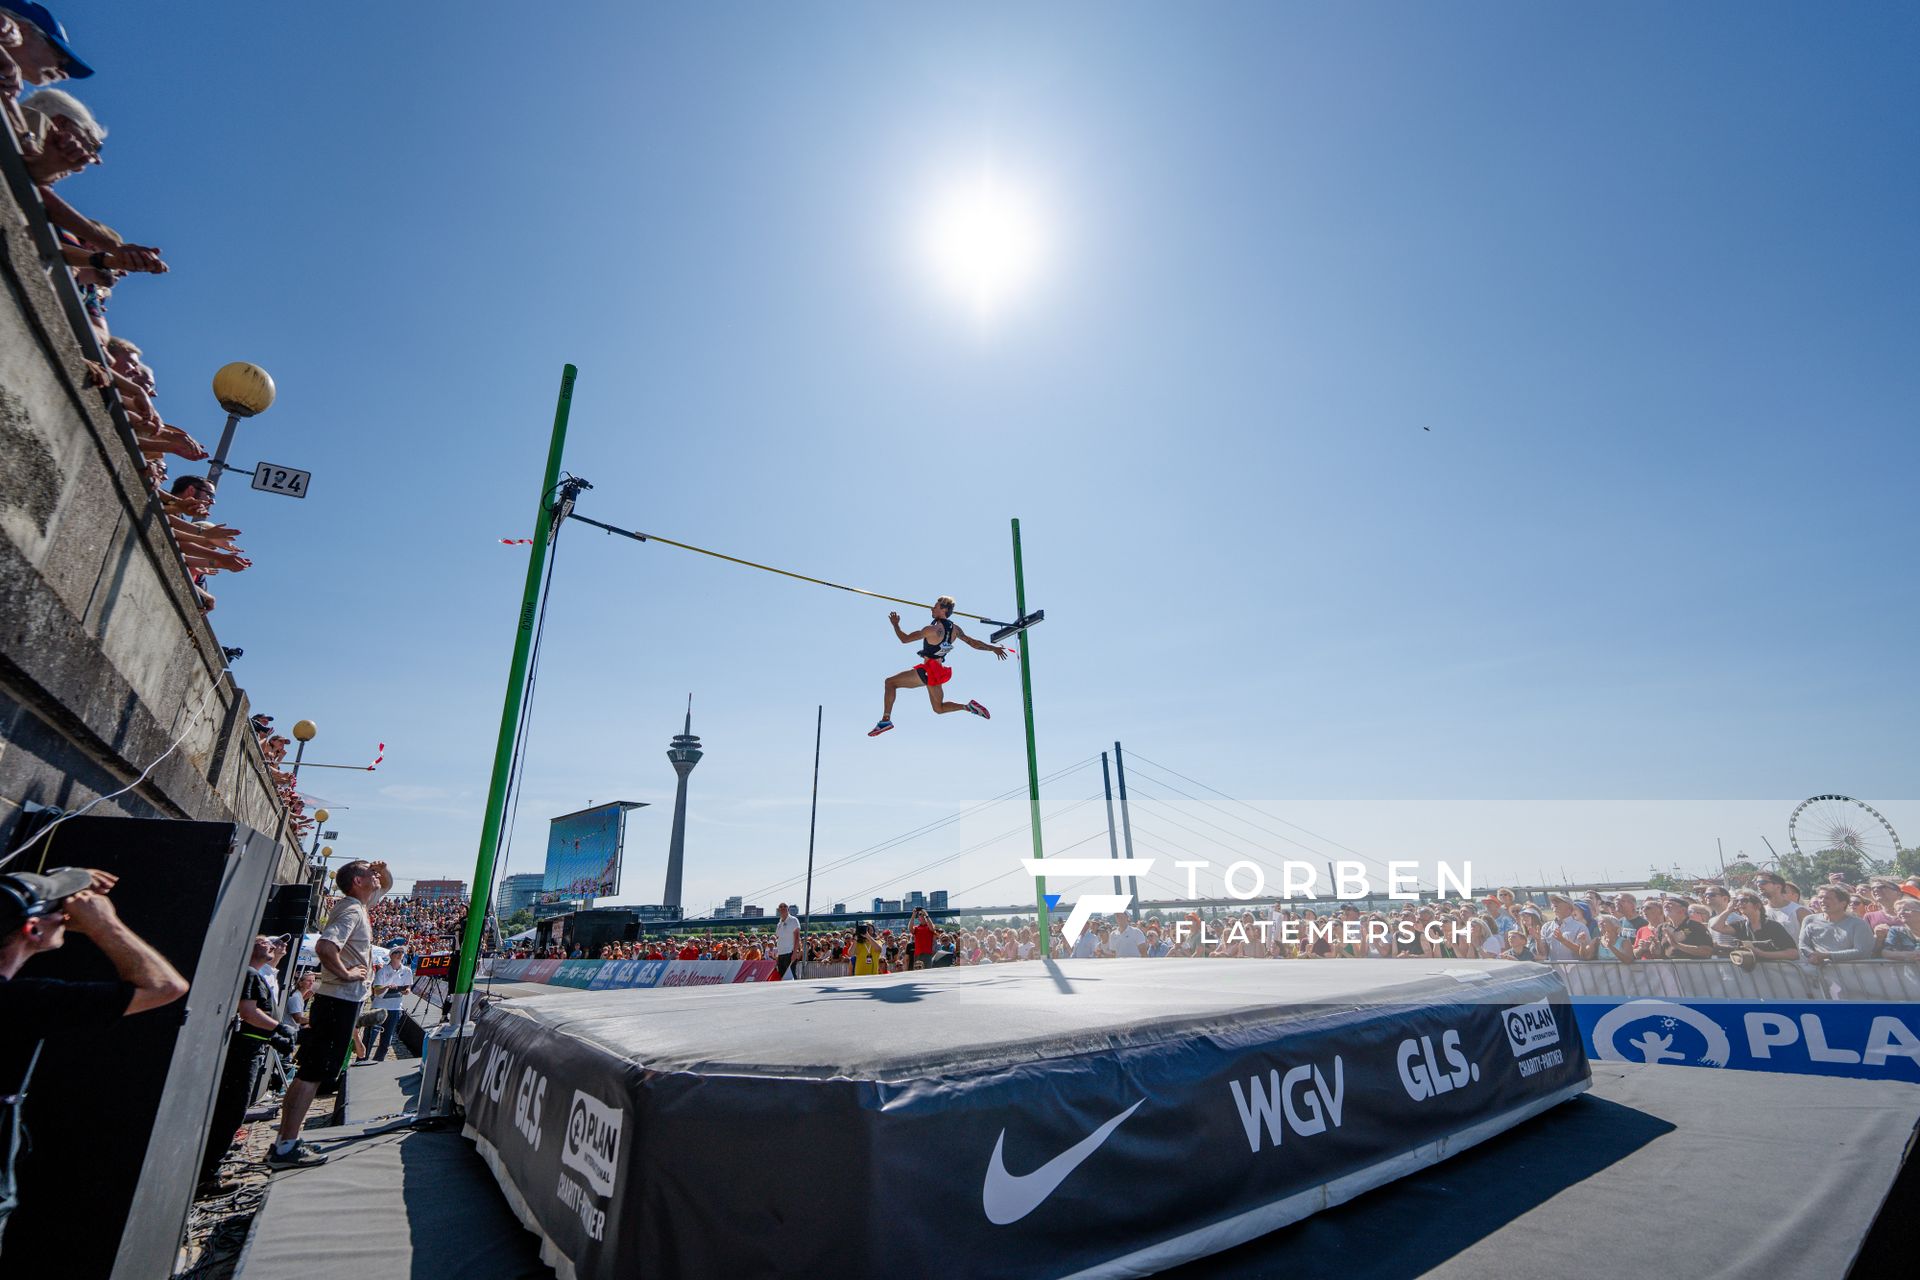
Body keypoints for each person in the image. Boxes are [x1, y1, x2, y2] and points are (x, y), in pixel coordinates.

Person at [0, 866, 186, 1246]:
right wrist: (104, 926)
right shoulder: (25, 1001)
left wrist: (70, 878)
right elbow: (165, 986)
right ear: (32, 929)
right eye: (55, 908)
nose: (64, 912)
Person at [268, 860, 390, 1169]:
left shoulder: (359, 904)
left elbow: (385, 885)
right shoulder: (350, 910)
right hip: (338, 1000)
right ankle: (286, 1146)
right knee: (312, 1073)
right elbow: (325, 946)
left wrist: (382, 869)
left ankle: (287, 1142)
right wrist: (347, 973)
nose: (375, 876)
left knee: (313, 1071)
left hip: (340, 1002)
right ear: (357, 881)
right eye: (369, 872)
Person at [198, 937, 293, 1195]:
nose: (270, 946)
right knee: (231, 1110)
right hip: (243, 1053)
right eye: (264, 942)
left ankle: (210, 1167)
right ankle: (207, 1175)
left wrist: (274, 1035)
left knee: (233, 1110)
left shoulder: (257, 973)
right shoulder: (250, 973)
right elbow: (249, 1013)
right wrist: (279, 1028)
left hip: (252, 1048)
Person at [868, 597, 1007, 736]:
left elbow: (904, 639)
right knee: (939, 708)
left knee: (890, 683)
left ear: (944, 610)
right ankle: (968, 707)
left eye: (935, 606)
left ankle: (886, 720)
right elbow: (973, 643)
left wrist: (895, 624)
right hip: (938, 672)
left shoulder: (932, 630)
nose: (932, 609)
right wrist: (993, 649)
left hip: (928, 670)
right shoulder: (955, 630)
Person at [1710, 891, 1798, 963]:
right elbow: (1716, 927)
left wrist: (1761, 954)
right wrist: (1728, 910)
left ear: (1757, 905)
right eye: (1737, 901)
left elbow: (1793, 954)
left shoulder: (1773, 926)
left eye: (1744, 900)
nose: (1739, 903)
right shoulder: (1740, 925)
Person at [1797, 885, 1876, 965]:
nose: (1822, 901)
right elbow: (1803, 944)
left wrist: (1828, 956)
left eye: (1828, 898)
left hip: (1852, 974)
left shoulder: (1858, 924)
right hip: (1819, 973)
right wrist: (1812, 955)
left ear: (1843, 903)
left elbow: (1862, 951)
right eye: (1820, 897)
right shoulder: (1810, 920)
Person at [365, 950, 413, 1063]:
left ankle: (377, 1061)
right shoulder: (382, 971)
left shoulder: (407, 971)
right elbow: (376, 991)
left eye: (402, 952)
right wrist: (387, 987)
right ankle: (362, 1059)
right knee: (370, 1037)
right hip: (379, 1007)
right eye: (397, 952)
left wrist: (407, 990)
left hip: (395, 1008)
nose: (400, 954)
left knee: (386, 1041)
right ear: (391, 955)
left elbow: (408, 987)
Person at [772, 902, 800, 979]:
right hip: (781, 954)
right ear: (778, 910)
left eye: (785, 906)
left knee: (791, 976)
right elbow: (779, 938)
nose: (783, 908)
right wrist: (778, 953)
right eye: (780, 906)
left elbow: (797, 937)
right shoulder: (779, 923)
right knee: (782, 976)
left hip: (789, 953)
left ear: (788, 909)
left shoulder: (793, 920)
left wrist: (794, 953)